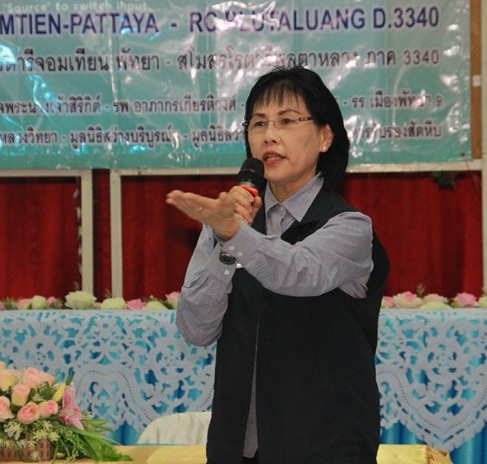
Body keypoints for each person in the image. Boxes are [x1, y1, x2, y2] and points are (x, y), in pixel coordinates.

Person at [166, 65, 389, 464]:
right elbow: (195, 328)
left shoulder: (350, 227)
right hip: (235, 449)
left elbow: (297, 271)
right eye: (258, 124)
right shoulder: (228, 222)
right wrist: (224, 239)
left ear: (324, 136)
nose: (269, 135)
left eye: (287, 121)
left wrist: (235, 234)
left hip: (327, 448)